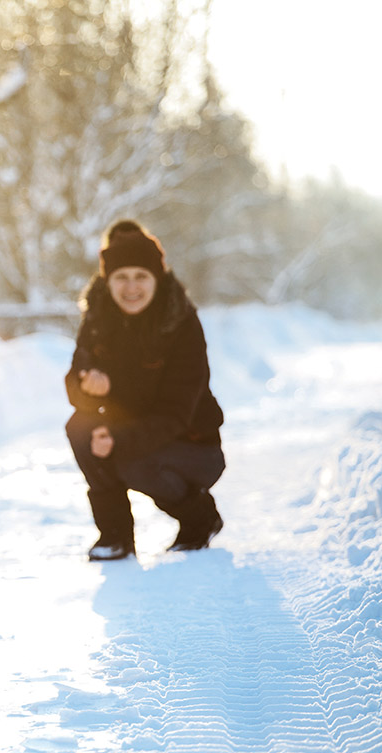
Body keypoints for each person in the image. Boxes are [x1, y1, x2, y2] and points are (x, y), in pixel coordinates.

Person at [65, 220, 225, 561]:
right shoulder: (97, 316)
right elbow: (73, 384)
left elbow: (176, 411)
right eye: (121, 277)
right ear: (108, 280)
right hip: (132, 432)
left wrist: (119, 439)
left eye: (141, 276)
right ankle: (115, 536)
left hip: (193, 447)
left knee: (132, 461)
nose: (131, 287)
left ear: (158, 277)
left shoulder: (181, 321)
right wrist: (86, 385)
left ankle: (201, 518)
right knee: (79, 427)